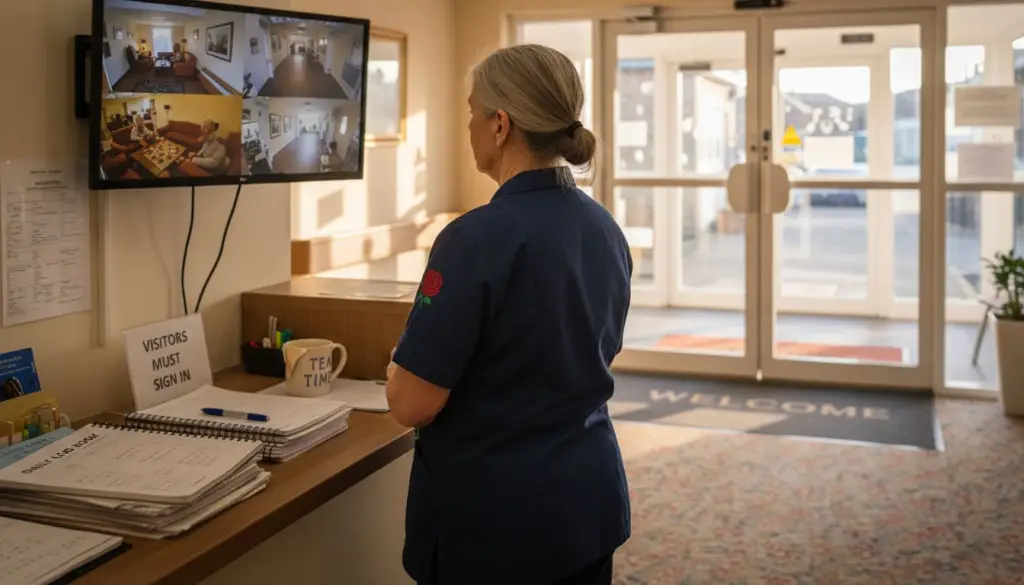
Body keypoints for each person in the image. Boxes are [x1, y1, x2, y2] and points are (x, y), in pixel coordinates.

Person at [386, 44, 632, 585]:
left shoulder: (474, 239)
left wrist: (395, 368)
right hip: (586, 507)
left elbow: (411, 402)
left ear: (500, 125)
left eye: (473, 113)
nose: (468, 127)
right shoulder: (603, 228)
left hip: (495, 525)